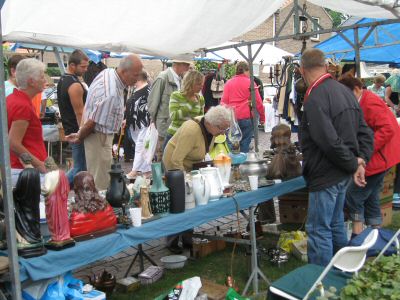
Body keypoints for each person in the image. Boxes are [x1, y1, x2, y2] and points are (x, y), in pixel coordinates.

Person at [299, 48, 373, 266]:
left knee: (319, 229)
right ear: (325, 66)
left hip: (327, 173)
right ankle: (341, 272)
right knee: (335, 223)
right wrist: (359, 161)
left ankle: (319, 283)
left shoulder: (315, 97)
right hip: (341, 172)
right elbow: (365, 132)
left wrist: (355, 163)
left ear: (302, 70)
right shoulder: (344, 91)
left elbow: (329, 141)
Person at [65, 54, 143, 190]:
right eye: (135, 75)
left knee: (100, 176)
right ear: (124, 72)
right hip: (99, 137)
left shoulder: (108, 73)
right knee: (101, 183)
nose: (137, 79)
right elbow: (92, 122)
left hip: (97, 135)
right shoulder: (111, 93)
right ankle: (99, 209)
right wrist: (79, 136)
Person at [339, 75, 400, 237]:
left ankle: (357, 237)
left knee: (354, 194)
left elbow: (387, 129)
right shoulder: (364, 100)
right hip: (381, 156)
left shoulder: (369, 101)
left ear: (357, 89)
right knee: (372, 196)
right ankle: (376, 237)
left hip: (380, 157)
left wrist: (365, 151)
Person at [7, 58, 48, 173]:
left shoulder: (13, 98)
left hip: (19, 169)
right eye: (41, 77)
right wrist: (38, 164)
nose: (44, 80)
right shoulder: (22, 105)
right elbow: (13, 143)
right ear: (31, 81)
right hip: (24, 171)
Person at [163, 105, 231, 172]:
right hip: (174, 168)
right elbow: (176, 160)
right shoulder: (191, 130)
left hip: (190, 168)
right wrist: (185, 179)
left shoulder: (210, 129)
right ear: (210, 123)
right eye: (221, 129)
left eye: (226, 129)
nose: (223, 133)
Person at [57, 50, 89, 186]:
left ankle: (57, 187)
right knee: (79, 167)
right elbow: (80, 113)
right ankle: (55, 187)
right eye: (83, 66)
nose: (85, 69)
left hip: (71, 128)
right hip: (76, 131)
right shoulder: (74, 85)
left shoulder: (63, 79)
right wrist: (82, 132)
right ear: (72, 65)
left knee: (80, 166)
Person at [147, 60, 191, 161]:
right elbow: (152, 103)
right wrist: (156, 123)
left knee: (173, 157)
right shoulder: (163, 77)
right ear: (177, 64)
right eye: (186, 64)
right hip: (165, 127)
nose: (188, 67)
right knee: (163, 156)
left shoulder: (180, 79)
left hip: (176, 127)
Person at [221, 61, 265, 153]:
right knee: (245, 143)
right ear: (246, 70)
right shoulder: (250, 83)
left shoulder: (228, 83)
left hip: (232, 117)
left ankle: (233, 165)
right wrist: (262, 117)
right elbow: (258, 102)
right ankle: (243, 165)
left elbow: (223, 103)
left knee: (232, 143)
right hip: (247, 117)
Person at [164, 70, 205, 148]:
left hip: (190, 137)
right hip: (174, 135)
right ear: (190, 83)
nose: (201, 86)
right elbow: (173, 116)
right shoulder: (176, 95)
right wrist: (190, 105)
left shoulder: (200, 99)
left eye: (202, 84)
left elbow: (201, 119)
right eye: (199, 84)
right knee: (168, 160)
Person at [125, 70, 152, 179]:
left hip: (145, 123)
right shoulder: (137, 89)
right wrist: (126, 119)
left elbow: (149, 107)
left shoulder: (148, 90)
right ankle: (146, 171)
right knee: (141, 146)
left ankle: (135, 171)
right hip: (136, 123)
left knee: (141, 145)